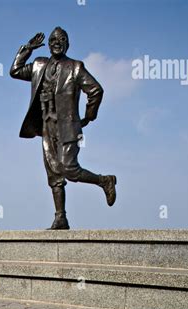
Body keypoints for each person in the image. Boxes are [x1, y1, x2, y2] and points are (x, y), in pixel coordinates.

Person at [11, 27, 117, 230]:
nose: (56, 42)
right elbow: (15, 71)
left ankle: (105, 181)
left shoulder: (76, 67)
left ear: (67, 44)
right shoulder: (39, 65)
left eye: (61, 39)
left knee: (69, 168)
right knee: (53, 172)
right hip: (46, 126)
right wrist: (28, 49)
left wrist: (88, 116)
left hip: (69, 127)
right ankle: (61, 217)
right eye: (52, 40)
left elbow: (95, 90)